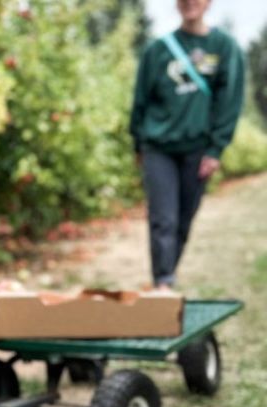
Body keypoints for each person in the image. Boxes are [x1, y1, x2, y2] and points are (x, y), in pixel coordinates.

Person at [129, 0, 244, 289]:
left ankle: (166, 276)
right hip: (159, 147)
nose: (189, 3)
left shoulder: (224, 47)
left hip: (197, 150)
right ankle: (163, 283)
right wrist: (138, 143)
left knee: (182, 222)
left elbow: (229, 101)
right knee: (162, 219)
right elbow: (141, 100)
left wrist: (216, 148)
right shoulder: (157, 50)